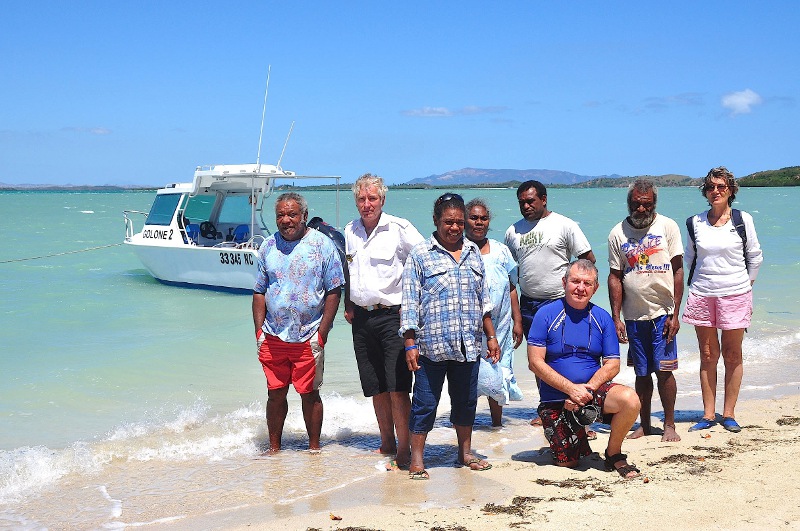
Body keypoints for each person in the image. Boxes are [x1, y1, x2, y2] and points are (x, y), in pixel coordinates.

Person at [400, 193, 500, 480]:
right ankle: (417, 460)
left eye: (459, 222)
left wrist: (491, 336)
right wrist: (409, 344)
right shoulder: (420, 254)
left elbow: (483, 301)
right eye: (448, 222)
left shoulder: (473, 252)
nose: (454, 228)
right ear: (436, 221)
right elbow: (409, 303)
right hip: (430, 348)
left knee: (466, 402)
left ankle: (465, 453)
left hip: (468, 344)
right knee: (425, 404)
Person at [527, 259, 641, 478]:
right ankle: (569, 433)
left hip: (591, 394)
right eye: (575, 281)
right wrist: (571, 390)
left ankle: (613, 453)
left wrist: (586, 390)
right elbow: (535, 362)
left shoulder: (602, 317)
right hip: (556, 399)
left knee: (630, 399)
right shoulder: (545, 314)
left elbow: (613, 364)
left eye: (587, 283)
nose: (581, 288)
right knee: (568, 463)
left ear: (595, 288)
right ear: (564, 283)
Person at [252, 192, 345, 452]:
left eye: (292, 214)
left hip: (309, 334)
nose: (286, 220)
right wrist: (259, 332)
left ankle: (314, 449)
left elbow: (334, 290)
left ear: (304, 215)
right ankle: (274, 449)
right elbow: (259, 291)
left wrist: (322, 333)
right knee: (275, 393)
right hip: (273, 335)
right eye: (280, 215)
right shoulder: (268, 246)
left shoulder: (322, 245)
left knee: (310, 394)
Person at [344, 173, 424, 468]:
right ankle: (387, 442)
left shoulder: (399, 228)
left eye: (372, 198)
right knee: (375, 385)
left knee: (397, 386)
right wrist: (348, 304)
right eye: (361, 199)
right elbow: (349, 271)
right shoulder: (350, 230)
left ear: (383, 200)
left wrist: (413, 309)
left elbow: (424, 260)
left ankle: (404, 449)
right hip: (362, 319)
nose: (367, 204)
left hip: (394, 316)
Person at [505, 180, 595, 427]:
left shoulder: (564, 225)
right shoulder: (513, 232)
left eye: (530, 201)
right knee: (538, 360)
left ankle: (578, 414)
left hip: (560, 302)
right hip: (529, 304)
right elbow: (509, 275)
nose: (526, 206)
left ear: (544, 199)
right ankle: (548, 410)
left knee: (567, 357)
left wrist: (580, 292)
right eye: (522, 202)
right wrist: (515, 318)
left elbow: (588, 259)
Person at [682, 167, 763, 433]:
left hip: (736, 294)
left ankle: (729, 414)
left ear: (731, 190)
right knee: (707, 354)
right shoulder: (694, 222)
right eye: (710, 187)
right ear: (705, 192)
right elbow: (690, 258)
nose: (715, 191)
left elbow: (755, 256)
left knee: (732, 354)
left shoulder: (742, 220)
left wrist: (745, 286)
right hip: (702, 294)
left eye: (721, 186)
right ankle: (708, 414)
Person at [607, 179, 684, 442]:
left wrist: (675, 314)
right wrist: (616, 317)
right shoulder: (617, 233)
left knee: (664, 370)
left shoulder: (668, 226)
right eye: (636, 204)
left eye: (647, 204)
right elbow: (615, 276)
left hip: (663, 313)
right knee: (641, 373)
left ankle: (670, 424)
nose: (641, 209)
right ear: (629, 203)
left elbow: (678, 270)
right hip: (633, 316)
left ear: (654, 203)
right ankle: (645, 424)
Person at [464, 198, 524, 427]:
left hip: (501, 325)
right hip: (470, 326)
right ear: (465, 220)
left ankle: (496, 425)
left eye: (483, 218)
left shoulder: (501, 251)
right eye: (474, 218)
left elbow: (511, 287)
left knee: (497, 372)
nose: (479, 222)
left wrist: (517, 321)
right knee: (468, 375)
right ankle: (465, 424)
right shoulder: (459, 250)